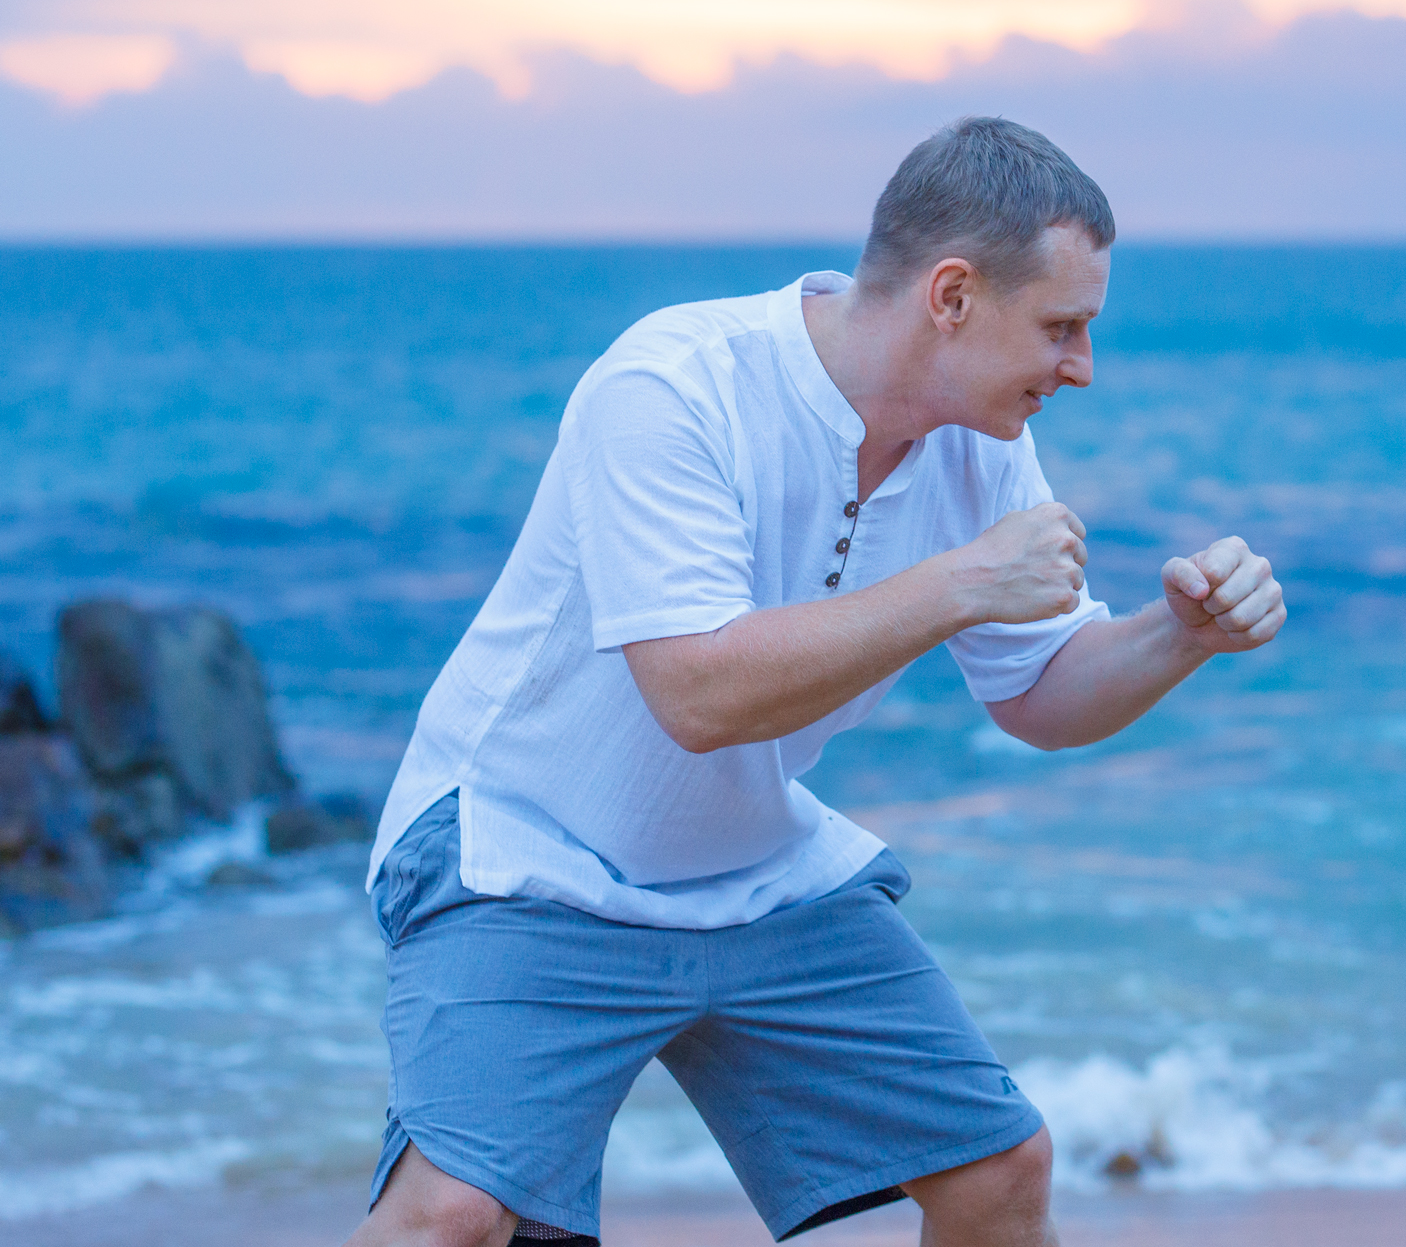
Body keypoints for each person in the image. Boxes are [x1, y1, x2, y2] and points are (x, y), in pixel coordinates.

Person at [348, 118, 1286, 1247]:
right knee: (448, 1216)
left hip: (750, 869)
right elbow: (698, 694)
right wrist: (959, 582)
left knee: (1000, 1169)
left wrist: (1177, 637)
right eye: (1063, 328)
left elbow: (1038, 691)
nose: (1080, 366)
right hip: (524, 852)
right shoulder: (672, 384)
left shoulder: (980, 439)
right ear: (952, 296)